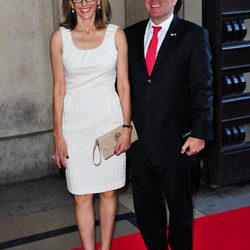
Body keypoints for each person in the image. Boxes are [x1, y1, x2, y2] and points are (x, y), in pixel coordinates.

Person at [125, 0, 213, 249]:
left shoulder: (194, 35)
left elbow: (202, 89)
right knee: (146, 213)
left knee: (180, 214)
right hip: (139, 143)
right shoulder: (128, 35)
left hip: (178, 143)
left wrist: (199, 133)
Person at [50, 0, 131, 249]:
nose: (84, 3)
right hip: (74, 126)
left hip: (109, 122)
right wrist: (58, 135)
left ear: (100, 1)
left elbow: (124, 85)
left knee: (108, 191)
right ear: (70, 3)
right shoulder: (59, 38)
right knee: (82, 195)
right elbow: (58, 89)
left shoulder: (116, 35)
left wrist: (126, 128)